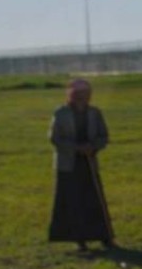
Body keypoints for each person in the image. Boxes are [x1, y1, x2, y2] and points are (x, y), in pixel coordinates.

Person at [48, 78, 114, 251]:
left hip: (89, 162)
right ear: (70, 95)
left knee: (95, 200)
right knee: (73, 201)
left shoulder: (95, 113)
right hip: (68, 164)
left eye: (85, 94)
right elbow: (55, 139)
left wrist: (93, 147)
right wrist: (77, 148)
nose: (81, 97)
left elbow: (103, 136)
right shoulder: (60, 113)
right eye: (78, 94)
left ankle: (104, 236)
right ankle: (79, 239)